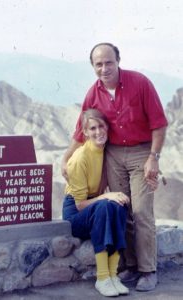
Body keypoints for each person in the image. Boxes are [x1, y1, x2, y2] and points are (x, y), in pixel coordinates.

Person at [61, 42, 168, 292]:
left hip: (141, 151)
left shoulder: (140, 83)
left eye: (109, 62)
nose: (104, 68)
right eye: (98, 64)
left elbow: (159, 124)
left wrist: (154, 157)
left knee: (141, 211)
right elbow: (81, 130)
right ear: (93, 67)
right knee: (124, 208)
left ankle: (147, 270)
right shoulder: (93, 93)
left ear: (118, 60)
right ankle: (129, 266)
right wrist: (66, 158)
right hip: (113, 154)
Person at [63, 108, 130, 297]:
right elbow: (80, 205)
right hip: (76, 215)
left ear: (107, 127)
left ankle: (112, 275)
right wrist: (105, 196)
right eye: (92, 128)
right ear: (85, 133)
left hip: (97, 207)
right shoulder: (79, 159)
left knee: (120, 204)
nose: (98, 132)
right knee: (105, 204)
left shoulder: (107, 152)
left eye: (101, 126)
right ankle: (102, 277)